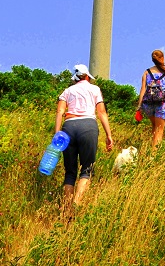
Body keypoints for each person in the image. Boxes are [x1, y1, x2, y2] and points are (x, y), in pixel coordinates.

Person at [55, 63, 114, 217]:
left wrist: (57, 133)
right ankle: (77, 202)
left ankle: (66, 210)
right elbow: (101, 112)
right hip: (88, 126)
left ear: (75, 78)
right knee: (86, 169)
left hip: (68, 127)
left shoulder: (67, 91)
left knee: (70, 172)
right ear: (87, 76)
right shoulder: (94, 89)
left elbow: (60, 111)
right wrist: (108, 135)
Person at [135, 49, 165, 148]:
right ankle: (153, 155)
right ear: (162, 58)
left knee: (154, 127)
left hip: (148, 103)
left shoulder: (147, 72)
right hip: (162, 104)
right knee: (159, 130)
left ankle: (151, 150)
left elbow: (142, 90)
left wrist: (139, 106)